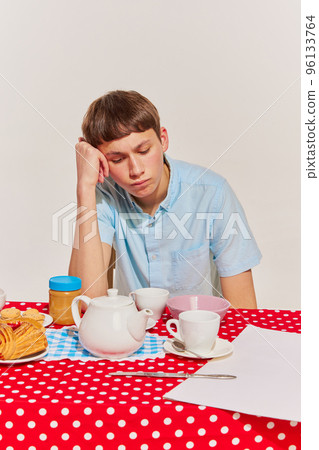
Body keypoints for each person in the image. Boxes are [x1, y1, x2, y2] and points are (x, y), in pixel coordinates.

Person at [69, 90, 262, 308]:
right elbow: (87, 303)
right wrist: (84, 186)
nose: (136, 170)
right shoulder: (104, 196)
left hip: (200, 335)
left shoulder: (213, 194)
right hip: (133, 335)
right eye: (118, 159)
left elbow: (243, 310)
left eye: (144, 151)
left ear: (163, 140)